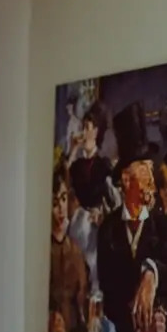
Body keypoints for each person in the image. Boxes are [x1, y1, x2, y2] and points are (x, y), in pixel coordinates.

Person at [97, 102, 167, 332]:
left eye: (151, 169)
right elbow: (109, 298)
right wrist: (135, 324)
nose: (151, 178)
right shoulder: (107, 231)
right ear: (126, 179)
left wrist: (152, 273)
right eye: (144, 169)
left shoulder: (164, 225)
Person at [68, 104, 112, 303]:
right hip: (79, 219)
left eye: (87, 128)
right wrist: (74, 149)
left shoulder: (104, 165)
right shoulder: (76, 165)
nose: (84, 132)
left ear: (96, 131)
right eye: (83, 127)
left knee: (94, 263)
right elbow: (64, 181)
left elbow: (112, 199)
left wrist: (101, 212)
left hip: (96, 222)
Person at [49, 163, 88, 332]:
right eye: (54, 203)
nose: (61, 208)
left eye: (64, 199)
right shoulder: (41, 252)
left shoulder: (76, 251)